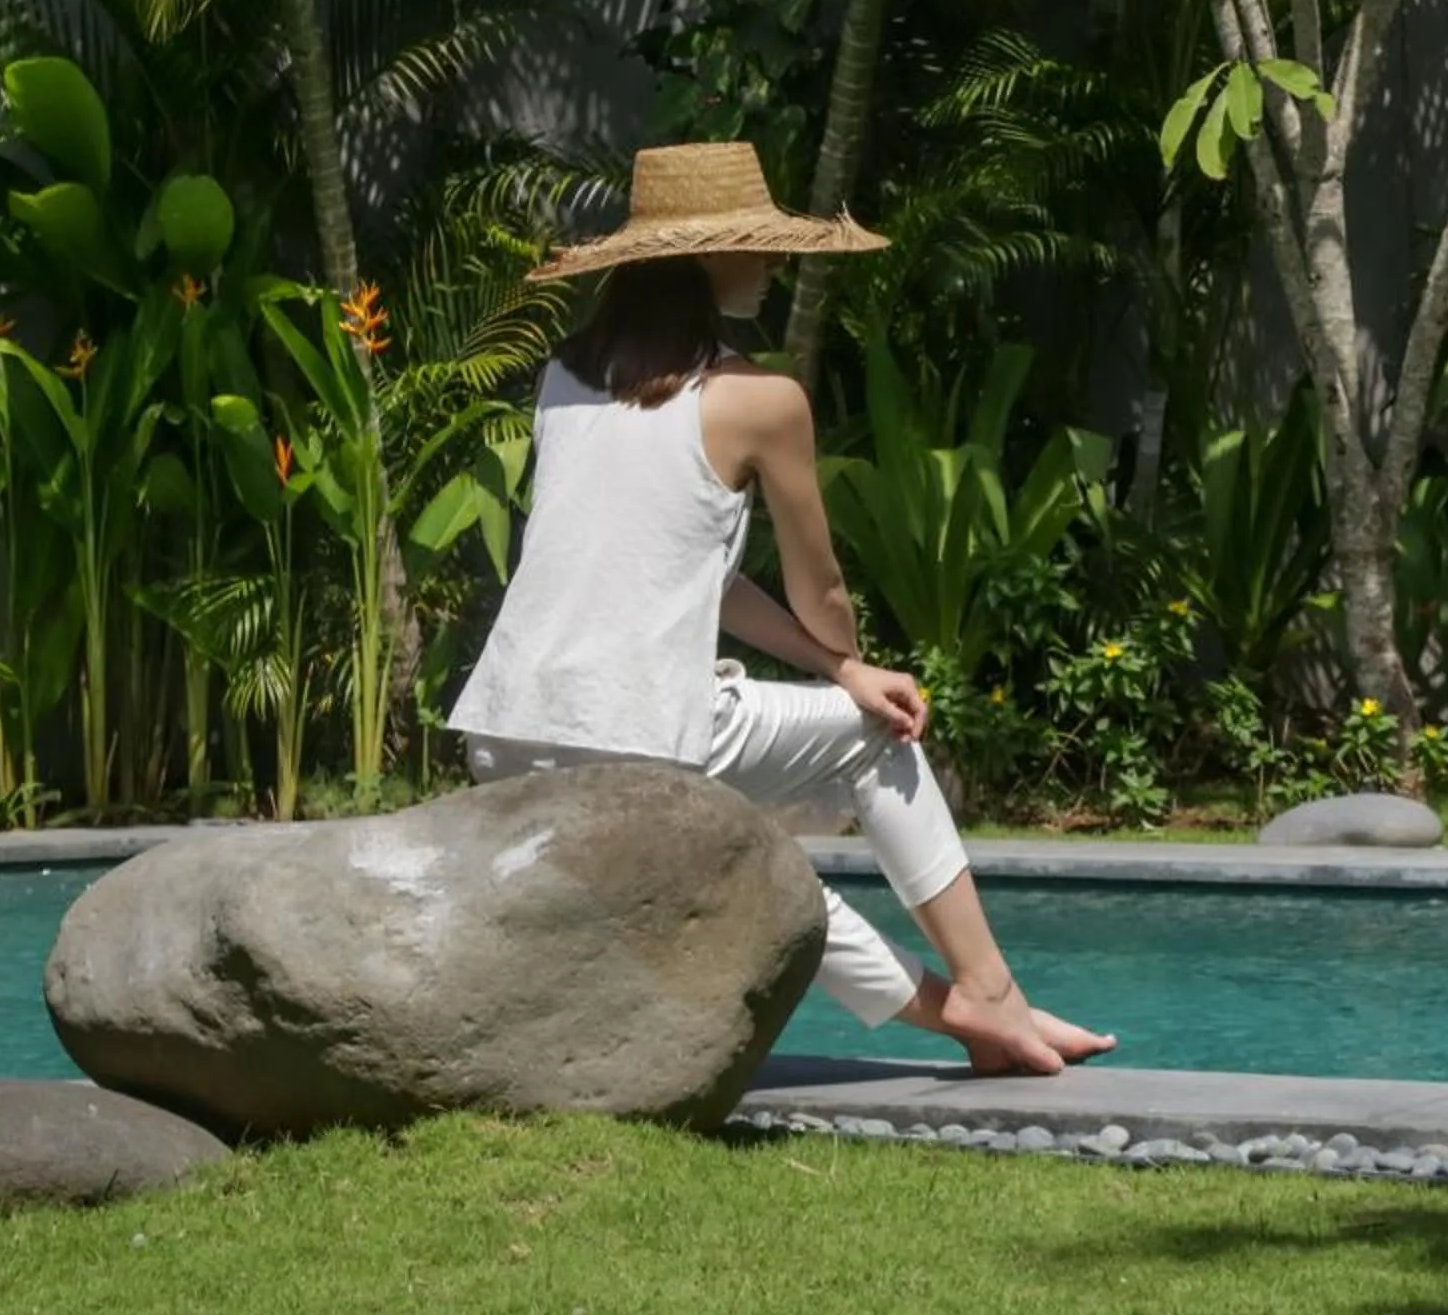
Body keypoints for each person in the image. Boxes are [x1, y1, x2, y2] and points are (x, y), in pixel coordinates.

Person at [447, 142, 1112, 1077]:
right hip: (638, 736)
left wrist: (841, 671)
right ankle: (988, 994)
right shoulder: (761, 398)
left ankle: (975, 1015)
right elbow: (823, 590)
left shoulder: (564, 379)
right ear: (707, 258)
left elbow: (694, 579)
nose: (771, 261)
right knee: (878, 736)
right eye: (755, 244)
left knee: (772, 862)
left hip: (503, 737)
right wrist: (850, 655)